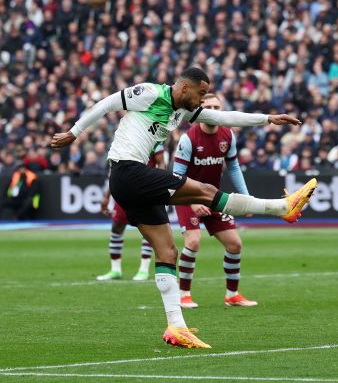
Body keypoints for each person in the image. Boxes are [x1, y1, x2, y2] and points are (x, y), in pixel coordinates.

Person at [51, 67, 317, 349]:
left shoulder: (182, 111)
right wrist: (74, 132)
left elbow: (223, 117)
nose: (203, 101)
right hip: (128, 171)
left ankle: (176, 327)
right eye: (201, 93)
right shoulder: (151, 93)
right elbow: (107, 103)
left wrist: (267, 119)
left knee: (167, 251)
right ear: (185, 88)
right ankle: (282, 208)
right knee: (205, 192)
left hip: (130, 180)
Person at [173, 94, 257, 308]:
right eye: (208, 106)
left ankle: (232, 295)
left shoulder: (227, 134)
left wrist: (246, 198)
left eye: (216, 106)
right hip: (186, 197)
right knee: (193, 241)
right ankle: (184, 295)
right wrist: (192, 202)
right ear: (200, 110)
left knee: (235, 244)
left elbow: (234, 167)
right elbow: (177, 177)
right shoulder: (188, 139)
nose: (213, 110)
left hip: (212, 196)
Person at [96, 143, 165, 281]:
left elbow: (161, 164)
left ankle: (143, 269)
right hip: (125, 188)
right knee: (117, 226)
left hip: (145, 190)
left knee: (147, 228)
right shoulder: (122, 140)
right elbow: (114, 169)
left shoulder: (153, 139)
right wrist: (106, 196)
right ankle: (115, 269)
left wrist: (159, 186)